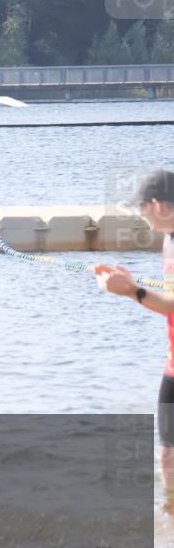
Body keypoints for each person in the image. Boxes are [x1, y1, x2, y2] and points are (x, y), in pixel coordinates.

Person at [94, 169, 174, 508]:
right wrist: (131, 285)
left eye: (142, 208)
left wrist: (132, 292)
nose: (141, 216)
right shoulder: (169, 239)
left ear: (158, 205)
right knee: (168, 452)